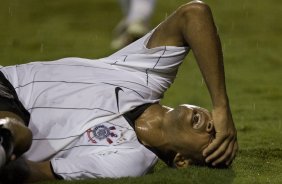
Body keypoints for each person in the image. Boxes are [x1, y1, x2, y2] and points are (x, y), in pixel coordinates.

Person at [0, 1, 238, 183]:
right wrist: (222, 107)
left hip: (12, 128)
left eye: (213, 137)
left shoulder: (130, 161)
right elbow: (194, 13)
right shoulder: (148, 76)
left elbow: (35, 171)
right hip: (6, 80)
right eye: (218, 127)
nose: (211, 125)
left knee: (18, 133)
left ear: (182, 161)